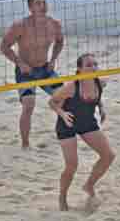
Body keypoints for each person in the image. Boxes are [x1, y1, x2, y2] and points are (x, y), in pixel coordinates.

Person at [48, 54, 115, 211]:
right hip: (68, 124)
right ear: (79, 69)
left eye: (95, 64)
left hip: (87, 122)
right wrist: (62, 114)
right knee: (72, 165)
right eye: (89, 65)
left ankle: (89, 185)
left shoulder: (100, 82)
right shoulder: (72, 87)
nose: (93, 67)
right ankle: (62, 197)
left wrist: (101, 108)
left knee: (108, 156)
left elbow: (98, 97)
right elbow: (52, 102)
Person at [0, 0, 65, 148]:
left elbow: (60, 42)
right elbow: (4, 47)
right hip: (26, 72)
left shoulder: (54, 24)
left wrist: (53, 59)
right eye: (38, 3)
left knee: (65, 98)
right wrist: (20, 63)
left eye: (44, 2)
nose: (43, 6)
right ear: (30, 8)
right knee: (29, 105)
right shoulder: (20, 25)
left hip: (45, 68)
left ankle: (64, 134)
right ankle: (25, 144)